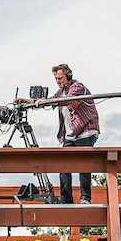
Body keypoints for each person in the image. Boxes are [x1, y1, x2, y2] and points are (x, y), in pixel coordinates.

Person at [42, 63, 99, 204]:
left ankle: (85, 198)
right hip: (71, 135)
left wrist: (48, 102)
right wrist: (30, 101)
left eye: (60, 78)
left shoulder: (77, 87)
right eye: (56, 79)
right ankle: (66, 199)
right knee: (63, 164)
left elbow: (66, 102)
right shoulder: (61, 92)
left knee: (83, 164)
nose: (58, 81)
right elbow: (51, 101)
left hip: (86, 131)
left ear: (68, 76)